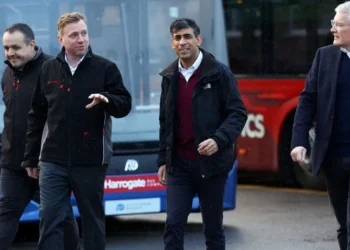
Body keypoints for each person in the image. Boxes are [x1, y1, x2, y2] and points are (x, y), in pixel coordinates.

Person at [21, 12, 131, 250]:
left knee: (92, 222)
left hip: (90, 160)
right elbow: (36, 116)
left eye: (84, 33)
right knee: (50, 220)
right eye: (74, 35)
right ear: (61, 40)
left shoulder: (105, 68)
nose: (81, 39)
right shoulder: (48, 69)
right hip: (52, 161)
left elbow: (125, 104)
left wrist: (107, 100)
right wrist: (31, 158)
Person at [157, 18, 247, 250]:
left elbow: (237, 113)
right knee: (173, 224)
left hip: (212, 165)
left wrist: (218, 140)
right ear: (172, 43)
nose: (182, 42)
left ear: (199, 40)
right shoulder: (169, 76)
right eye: (177, 38)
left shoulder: (219, 73)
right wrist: (162, 160)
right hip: (179, 165)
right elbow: (165, 121)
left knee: (213, 229)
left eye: (187, 36)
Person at [0, 23, 80, 250]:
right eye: (6, 48)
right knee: (6, 213)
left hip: (47, 163)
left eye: (15, 47)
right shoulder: (8, 73)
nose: (9, 53)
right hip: (13, 163)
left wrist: (41, 158)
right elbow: (10, 118)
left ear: (31, 45)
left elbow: (61, 119)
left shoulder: (53, 70)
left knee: (61, 215)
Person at [291, 2, 350, 249]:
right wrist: (299, 141)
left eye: (338, 24)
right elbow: (307, 100)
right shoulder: (324, 55)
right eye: (333, 23)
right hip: (334, 157)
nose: (333, 29)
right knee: (344, 225)